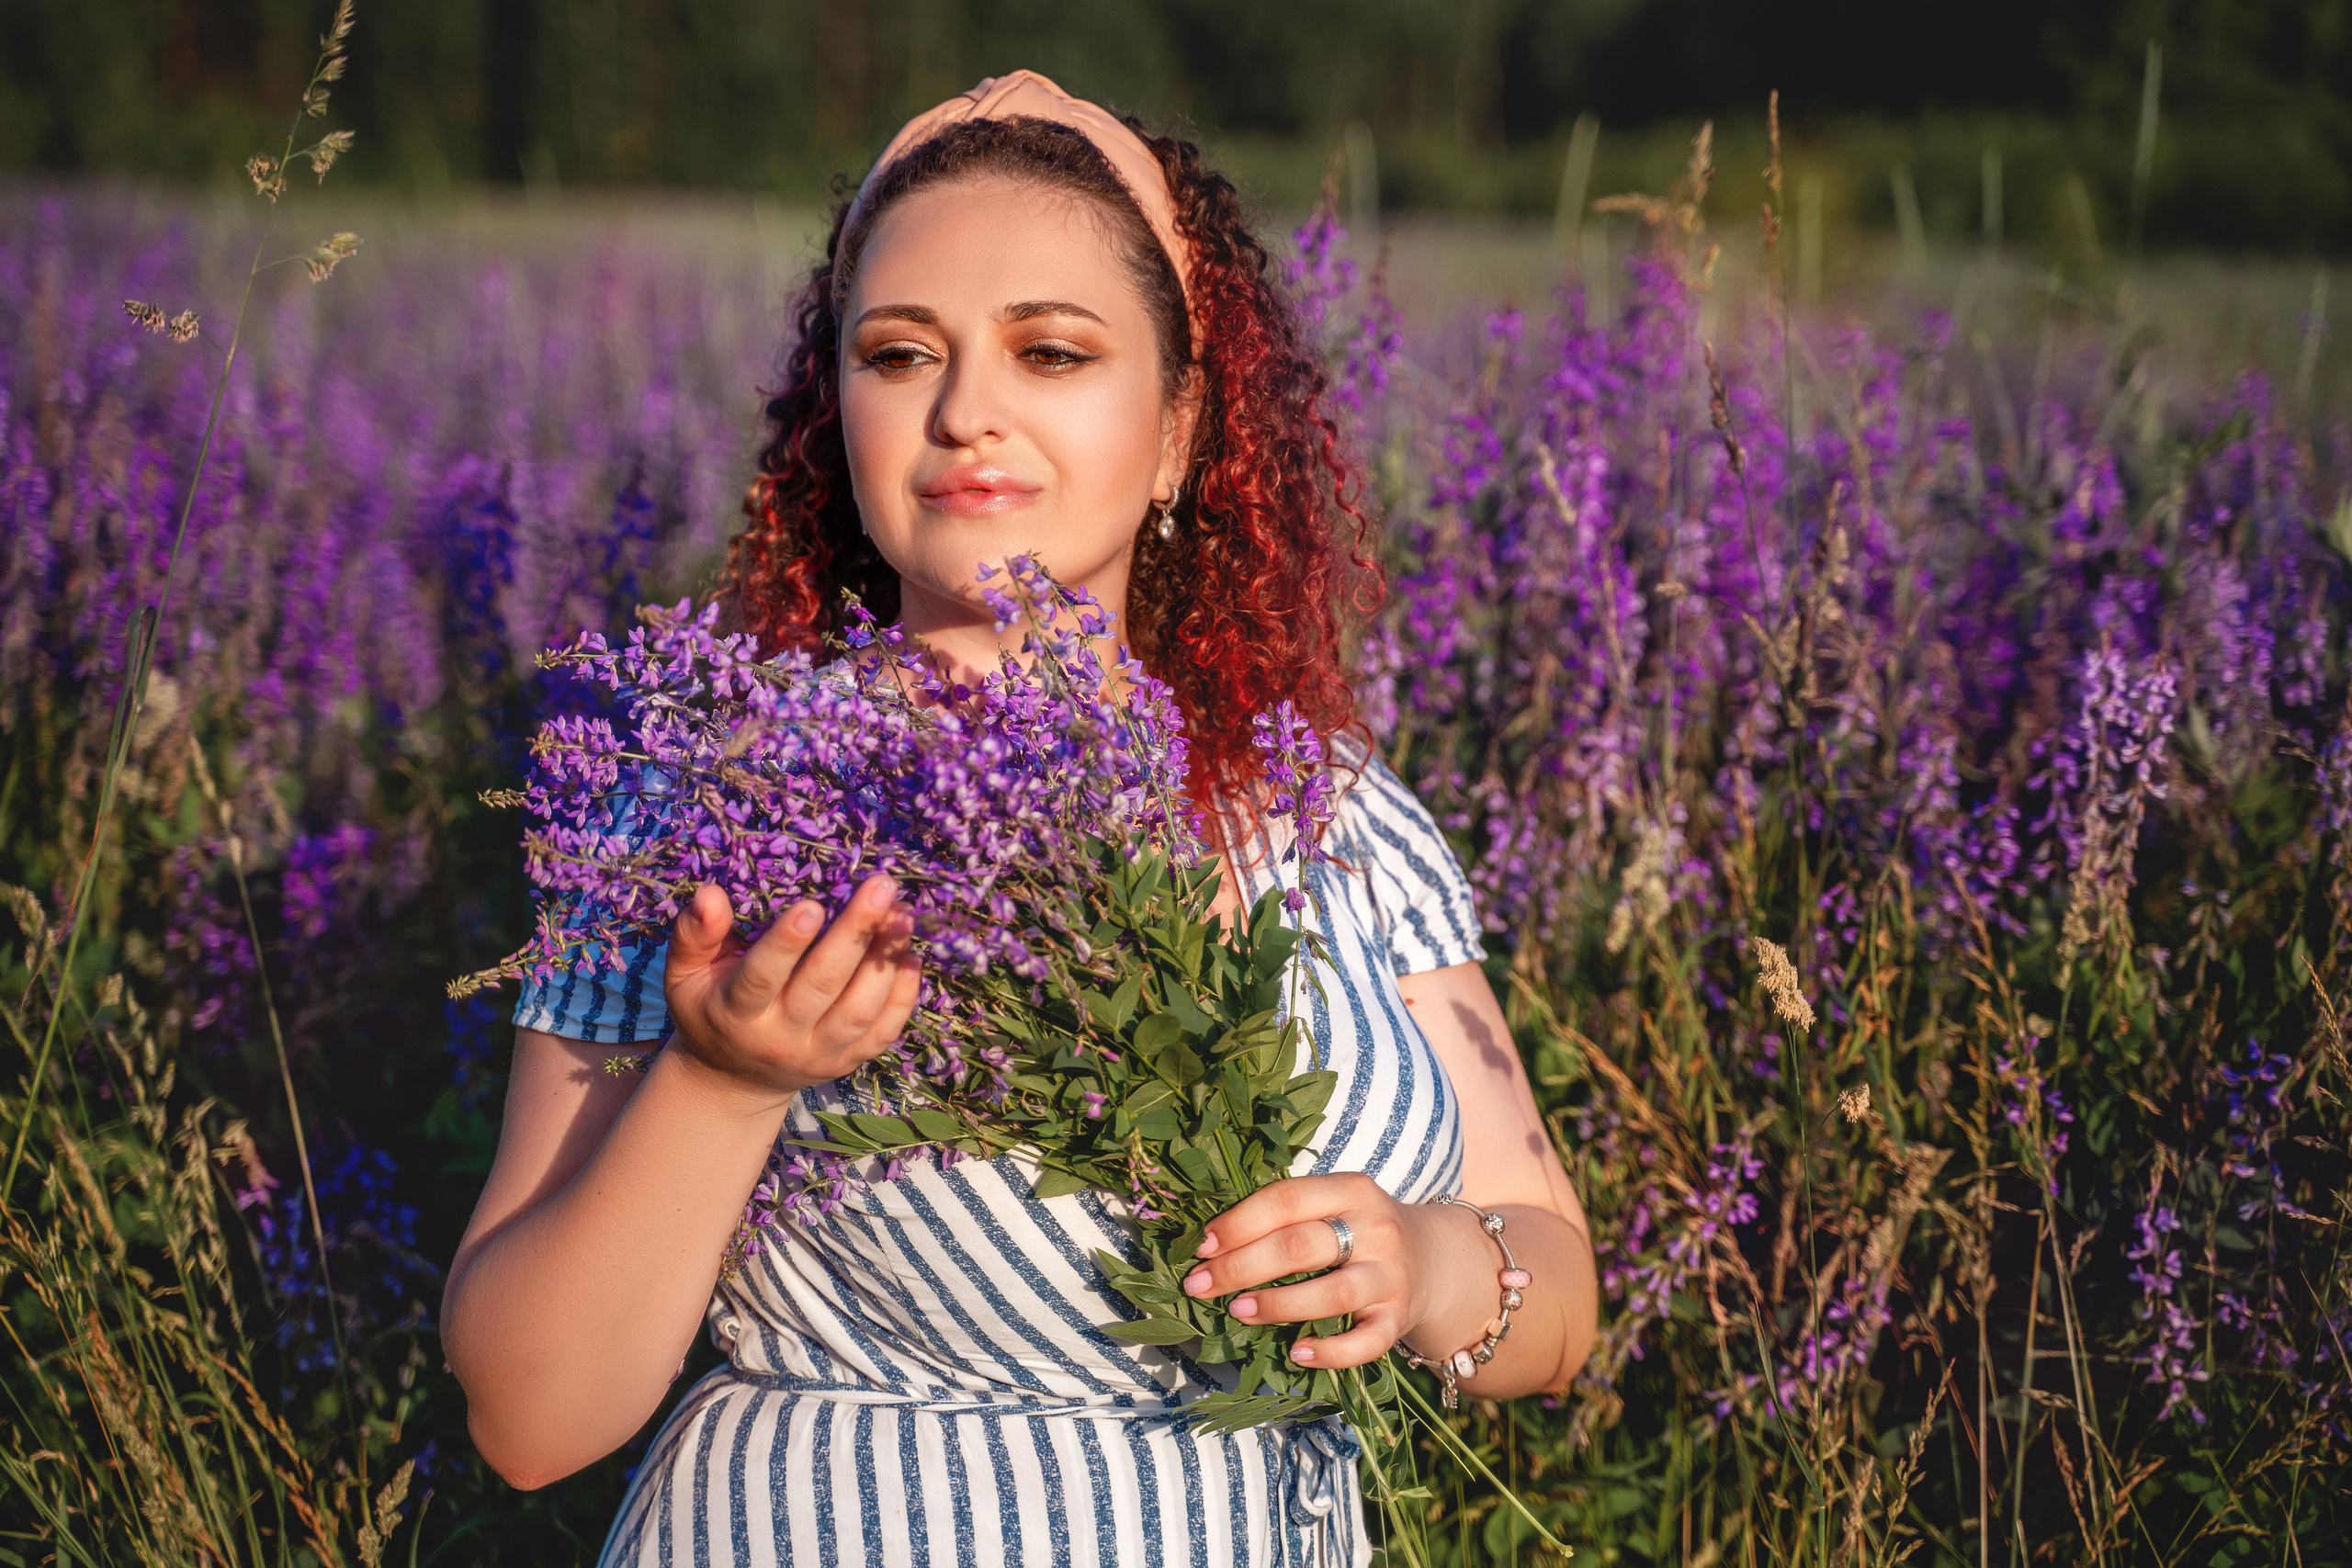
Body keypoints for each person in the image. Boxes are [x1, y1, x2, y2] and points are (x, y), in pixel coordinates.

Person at [442, 70, 1597, 1568]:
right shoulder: (693, 814)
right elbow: (529, 1420)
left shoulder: (1341, 816)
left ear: (1181, 428)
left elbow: (1555, 1282)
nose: (966, 410)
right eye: (898, 352)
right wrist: (723, 1085)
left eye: (1051, 352)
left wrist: (1431, 1268)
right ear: (834, 416)